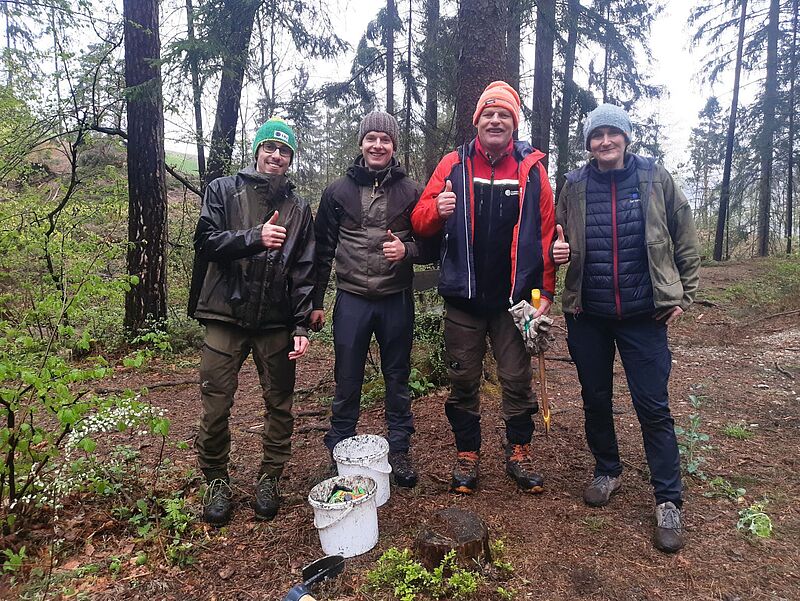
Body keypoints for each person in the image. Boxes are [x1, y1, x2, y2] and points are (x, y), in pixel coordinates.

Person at [552, 103, 700, 553]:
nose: (605, 142)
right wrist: (558, 253)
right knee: (595, 399)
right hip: (588, 315)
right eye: (597, 136)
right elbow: (558, 237)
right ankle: (607, 469)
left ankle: (668, 499)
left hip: (643, 316)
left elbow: (684, 234)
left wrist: (684, 294)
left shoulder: (655, 178)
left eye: (612, 134)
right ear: (589, 144)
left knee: (653, 406)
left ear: (626, 138)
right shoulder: (574, 185)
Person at [411, 81, 556, 495]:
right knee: (463, 379)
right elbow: (420, 220)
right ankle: (467, 454)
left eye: (504, 114)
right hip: (464, 297)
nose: (495, 120)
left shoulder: (532, 169)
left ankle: (519, 451)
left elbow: (546, 234)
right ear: (477, 121)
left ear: (514, 123)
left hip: (517, 300)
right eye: (488, 114)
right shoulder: (453, 164)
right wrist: (436, 210)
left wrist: (545, 293)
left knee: (516, 379)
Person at [188, 117, 315, 526]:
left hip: (276, 322)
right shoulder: (223, 190)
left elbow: (305, 270)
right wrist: (253, 237)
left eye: (284, 151)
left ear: (291, 158)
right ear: (257, 150)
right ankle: (216, 480)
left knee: (279, 404)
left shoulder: (298, 208)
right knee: (216, 404)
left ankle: (269, 478)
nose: (276, 156)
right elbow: (205, 243)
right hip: (225, 315)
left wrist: (300, 325)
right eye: (269, 148)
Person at [312, 111, 426, 488]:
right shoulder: (336, 192)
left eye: (386, 139)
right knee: (347, 378)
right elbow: (322, 250)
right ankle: (339, 450)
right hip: (352, 299)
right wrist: (313, 302)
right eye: (372, 138)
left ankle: (399, 451)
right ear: (361, 143)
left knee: (397, 377)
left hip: (396, 299)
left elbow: (433, 244)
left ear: (395, 146)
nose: (378, 145)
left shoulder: (411, 191)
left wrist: (407, 250)